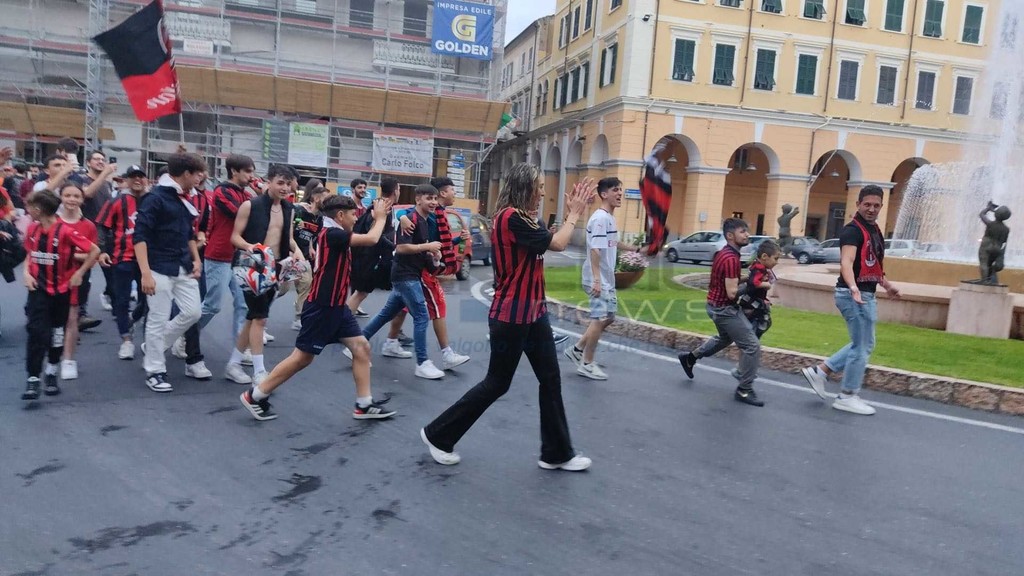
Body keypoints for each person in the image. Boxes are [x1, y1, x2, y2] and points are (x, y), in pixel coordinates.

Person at [419, 164, 595, 471]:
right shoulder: (511, 217)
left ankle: (556, 453)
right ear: (525, 186)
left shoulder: (522, 217)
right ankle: (438, 435)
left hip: (533, 312)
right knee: (497, 383)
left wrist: (566, 218)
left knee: (550, 378)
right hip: (512, 316)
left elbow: (546, 240)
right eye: (540, 186)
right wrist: (574, 215)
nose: (543, 193)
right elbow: (558, 243)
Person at [240, 194, 396, 421]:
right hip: (323, 307)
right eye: (353, 215)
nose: (355, 219)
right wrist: (380, 218)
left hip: (337, 306)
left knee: (361, 348)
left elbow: (367, 236)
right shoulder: (333, 234)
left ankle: (364, 404)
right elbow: (371, 239)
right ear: (340, 215)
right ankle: (255, 396)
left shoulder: (334, 231)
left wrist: (376, 218)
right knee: (302, 358)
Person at [800, 186, 900, 415]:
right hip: (853, 294)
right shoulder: (853, 231)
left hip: (863, 293)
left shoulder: (873, 230)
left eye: (876, 205)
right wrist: (854, 287)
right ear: (858, 204)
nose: (871, 209)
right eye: (867, 204)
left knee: (864, 344)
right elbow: (847, 262)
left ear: (881, 206)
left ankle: (820, 372)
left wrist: (887, 285)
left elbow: (872, 265)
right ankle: (847, 396)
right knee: (861, 347)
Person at [133, 152, 206, 393]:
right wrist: (145, 273)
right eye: (197, 174)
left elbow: (188, 234)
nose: (200, 178)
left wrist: (196, 259)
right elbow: (140, 236)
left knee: (193, 312)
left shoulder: (183, 198)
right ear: (186, 174)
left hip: (182, 265)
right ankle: (154, 371)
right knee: (158, 318)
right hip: (158, 267)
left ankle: (156, 346)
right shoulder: (155, 199)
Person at [226, 164, 301, 387]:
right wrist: (251, 247)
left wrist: (297, 251)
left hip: (276, 268)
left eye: (288, 184)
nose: (284, 188)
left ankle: (233, 364)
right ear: (269, 182)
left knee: (253, 317)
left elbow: (288, 238)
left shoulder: (289, 208)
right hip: (252, 269)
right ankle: (259, 371)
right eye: (280, 183)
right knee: (260, 318)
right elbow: (235, 237)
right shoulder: (250, 205)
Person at [21, 189, 100, 400]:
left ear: (38, 210)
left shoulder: (65, 231)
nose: (27, 210)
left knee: (57, 333)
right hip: (38, 290)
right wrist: (26, 273)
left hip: (61, 291)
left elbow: (94, 250)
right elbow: (30, 254)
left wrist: (79, 274)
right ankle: (33, 378)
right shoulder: (32, 229)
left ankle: (52, 371)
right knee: (36, 332)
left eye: (30, 207)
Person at [677, 218, 764, 407]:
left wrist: (747, 278)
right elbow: (732, 293)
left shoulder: (725, 253)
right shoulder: (731, 258)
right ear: (730, 235)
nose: (747, 235)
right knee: (752, 346)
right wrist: (754, 286)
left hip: (715, 305)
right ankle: (744, 390)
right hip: (724, 309)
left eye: (746, 231)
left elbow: (726, 280)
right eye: (743, 232)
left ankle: (690, 358)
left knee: (725, 338)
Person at [388, 176, 471, 371]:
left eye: (433, 199)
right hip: (420, 269)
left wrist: (457, 240)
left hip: (415, 268)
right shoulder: (430, 213)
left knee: (399, 307)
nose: (455, 194)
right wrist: (402, 217)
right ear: (442, 193)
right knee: (436, 307)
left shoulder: (439, 214)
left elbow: (439, 242)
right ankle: (442, 355)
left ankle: (388, 342)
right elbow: (407, 214)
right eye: (452, 190)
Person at [564, 177, 637, 380]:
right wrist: (597, 280)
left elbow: (613, 242)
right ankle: (587, 364)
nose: (620, 193)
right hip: (597, 280)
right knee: (598, 319)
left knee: (609, 317)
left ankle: (577, 349)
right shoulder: (600, 219)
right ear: (604, 194)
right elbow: (595, 249)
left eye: (620, 189)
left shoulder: (609, 218)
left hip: (606, 279)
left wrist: (637, 249)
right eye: (615, 190)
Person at [199, 154, 254, 353]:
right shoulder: (221, 192)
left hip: (239, 257)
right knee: (212, 305)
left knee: (243, 304)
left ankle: (240, 350)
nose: (251, 176)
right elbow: (240, 214)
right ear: (234, 171)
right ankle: (186, 335)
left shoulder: (247, 196)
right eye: (247, 171)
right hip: (219, 255)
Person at [97, 165, 148, 360]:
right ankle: (126, 340)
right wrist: (102, 251)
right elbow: (102, 226)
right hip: (123, 257)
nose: (137, 180)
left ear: (146, 179)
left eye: (141, 176)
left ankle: (133, 320)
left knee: (148, 300)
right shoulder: (117, 201)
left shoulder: (153, 200)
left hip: (148, 260)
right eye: (133, 176)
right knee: (121, 300)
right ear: (126, 180)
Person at [56, 183, 100, 380]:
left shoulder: (88, 226)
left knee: (72, 318)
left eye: (76, 196)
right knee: (53, 320)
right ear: (61, 197)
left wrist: (69, 254)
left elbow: (93, 254)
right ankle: (53, 356)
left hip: (76, 277)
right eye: (67, 195)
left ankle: (68, 360)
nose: (72, 199)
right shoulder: (53, 222)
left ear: (82, 200)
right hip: (51, 277)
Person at [347, 177, 399, 320]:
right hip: (370, 256)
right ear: (395, 191)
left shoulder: (381, 204)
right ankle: (342, 324)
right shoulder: (381, 206)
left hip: (371, 256)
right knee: (360, 293)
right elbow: (374, 232)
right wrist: (393, 247)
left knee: (361, 293)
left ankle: (343, 323)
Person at [287, 179, 327, 330]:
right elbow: (289, 233)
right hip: (291, 252)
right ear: (314, 196)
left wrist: (311, 247)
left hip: (304, 254)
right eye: (320, 191)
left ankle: (300, 317)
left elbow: (312, 234)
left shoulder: (319, 217)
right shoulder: (298, 209)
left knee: (306, 284)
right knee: (281, 289)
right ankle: (259, 313)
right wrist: (291, 249)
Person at [738, 240, 780, 339]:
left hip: (754, 300)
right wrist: (766, 284)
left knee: (763, 320)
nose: (777, 262)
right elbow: (753, 282)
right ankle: (751, 341)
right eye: (775, 258)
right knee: (763, 320)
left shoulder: (760, 267)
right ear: (764, 256)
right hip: (751, 301)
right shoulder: (759, 268)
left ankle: (751, 340)